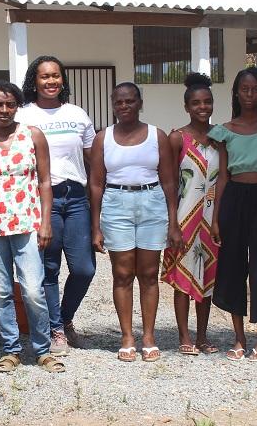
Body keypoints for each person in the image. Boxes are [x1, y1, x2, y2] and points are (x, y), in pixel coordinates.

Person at [0, 80, 64, 373]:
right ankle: (11, 350)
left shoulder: (32, 136)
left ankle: (43, 349)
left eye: (10, 104)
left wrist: (46, 221)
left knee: (33, 290)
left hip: (28, 223)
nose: (4, 110)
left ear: (17, 106)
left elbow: (45, 181)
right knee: (3, 292)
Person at [89, 82, 183, 363]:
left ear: (140, 103)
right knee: (122, 273)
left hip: (151, 201)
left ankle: (149, 336)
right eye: (119, 102)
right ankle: (127, 335)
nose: (124, 106)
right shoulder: (102, 138)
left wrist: (174, 222)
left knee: (149, 273)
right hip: (116, 204)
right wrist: (96, 226)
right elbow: (95, 184)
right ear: (112, 104)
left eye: (130, 101)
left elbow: (169, 181)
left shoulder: (158, 136)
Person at [18, 55, 97, 355]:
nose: (50, 81)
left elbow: (94, 159)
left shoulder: (77, 113)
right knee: (49, 269)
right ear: (34, 81)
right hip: (41, 199)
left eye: (55, 76)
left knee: (85, 268)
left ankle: (64, 318)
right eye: (44, 76)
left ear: (62, 79)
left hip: (76, 197)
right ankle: (56, 330)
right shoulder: (24, 116)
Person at [209, 67, 257, 363]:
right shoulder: (226, 130)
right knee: (233, 267)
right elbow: (223, 177)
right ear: (236, 93)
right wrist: (215, 219)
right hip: (233, 200)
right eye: (244, 89)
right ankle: (239, 338)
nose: (250, 95)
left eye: (255, 89)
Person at [161, 73, 220, 355]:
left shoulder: (221, 137)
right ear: (187, 106)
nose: (202, 107)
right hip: (184, 218)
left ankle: (203, 336)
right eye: (196, 103)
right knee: (183, 279)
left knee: (207, 277)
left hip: (211, 221)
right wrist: (172, 223)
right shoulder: (177, 138)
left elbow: (225, 180)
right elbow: (170, 183)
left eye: (207, 102)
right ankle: (184, 336)